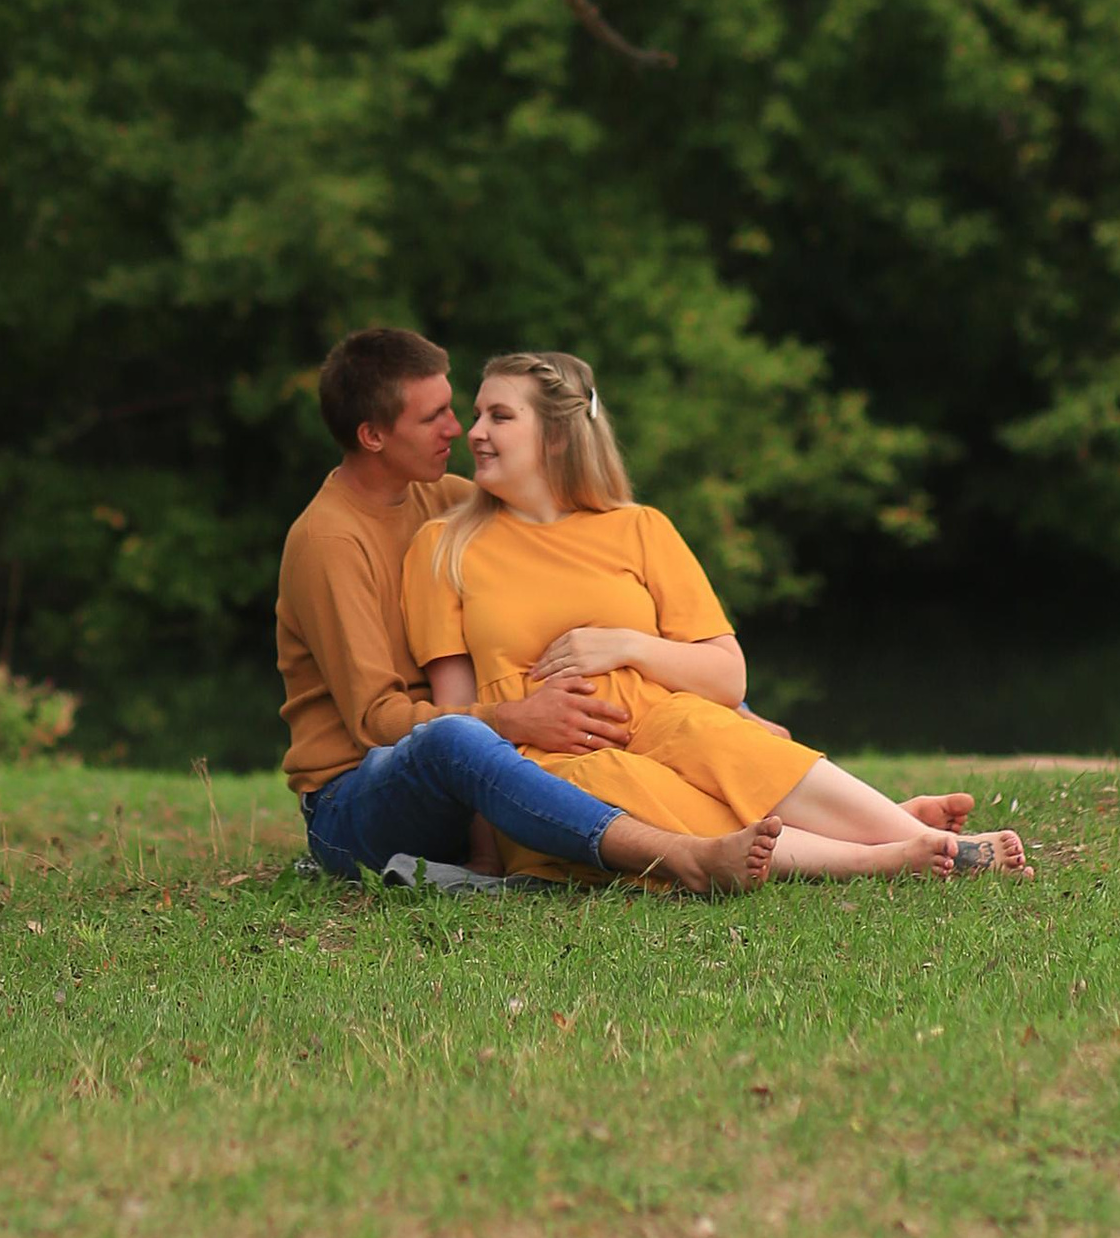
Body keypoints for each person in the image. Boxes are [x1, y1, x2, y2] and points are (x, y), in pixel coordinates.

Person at [405, 350, 1031, 880]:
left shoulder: (639, 528)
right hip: (549, 760)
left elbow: (727, 677)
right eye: (479, 413)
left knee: (715, 735)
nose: (473, 431)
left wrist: (625, 645)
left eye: (499, 416)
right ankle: (889, 855)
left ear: (558, 436)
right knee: (628, 784)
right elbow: (455, 724)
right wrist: (482, 851)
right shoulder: (444, 547)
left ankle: (923, 840)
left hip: (662, 717)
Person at [277, 327, 780, 897]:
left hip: (475, 776)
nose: (459, 431)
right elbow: (374, 724)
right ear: (372, 436)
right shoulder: (330, 542)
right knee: (453, 737)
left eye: (453, 408)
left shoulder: (446, 499)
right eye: (432, 418)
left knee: (622, 685)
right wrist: (512, 719)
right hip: (360, 801)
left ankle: (801, 826)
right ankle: (678, 857)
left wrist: (735, 707)